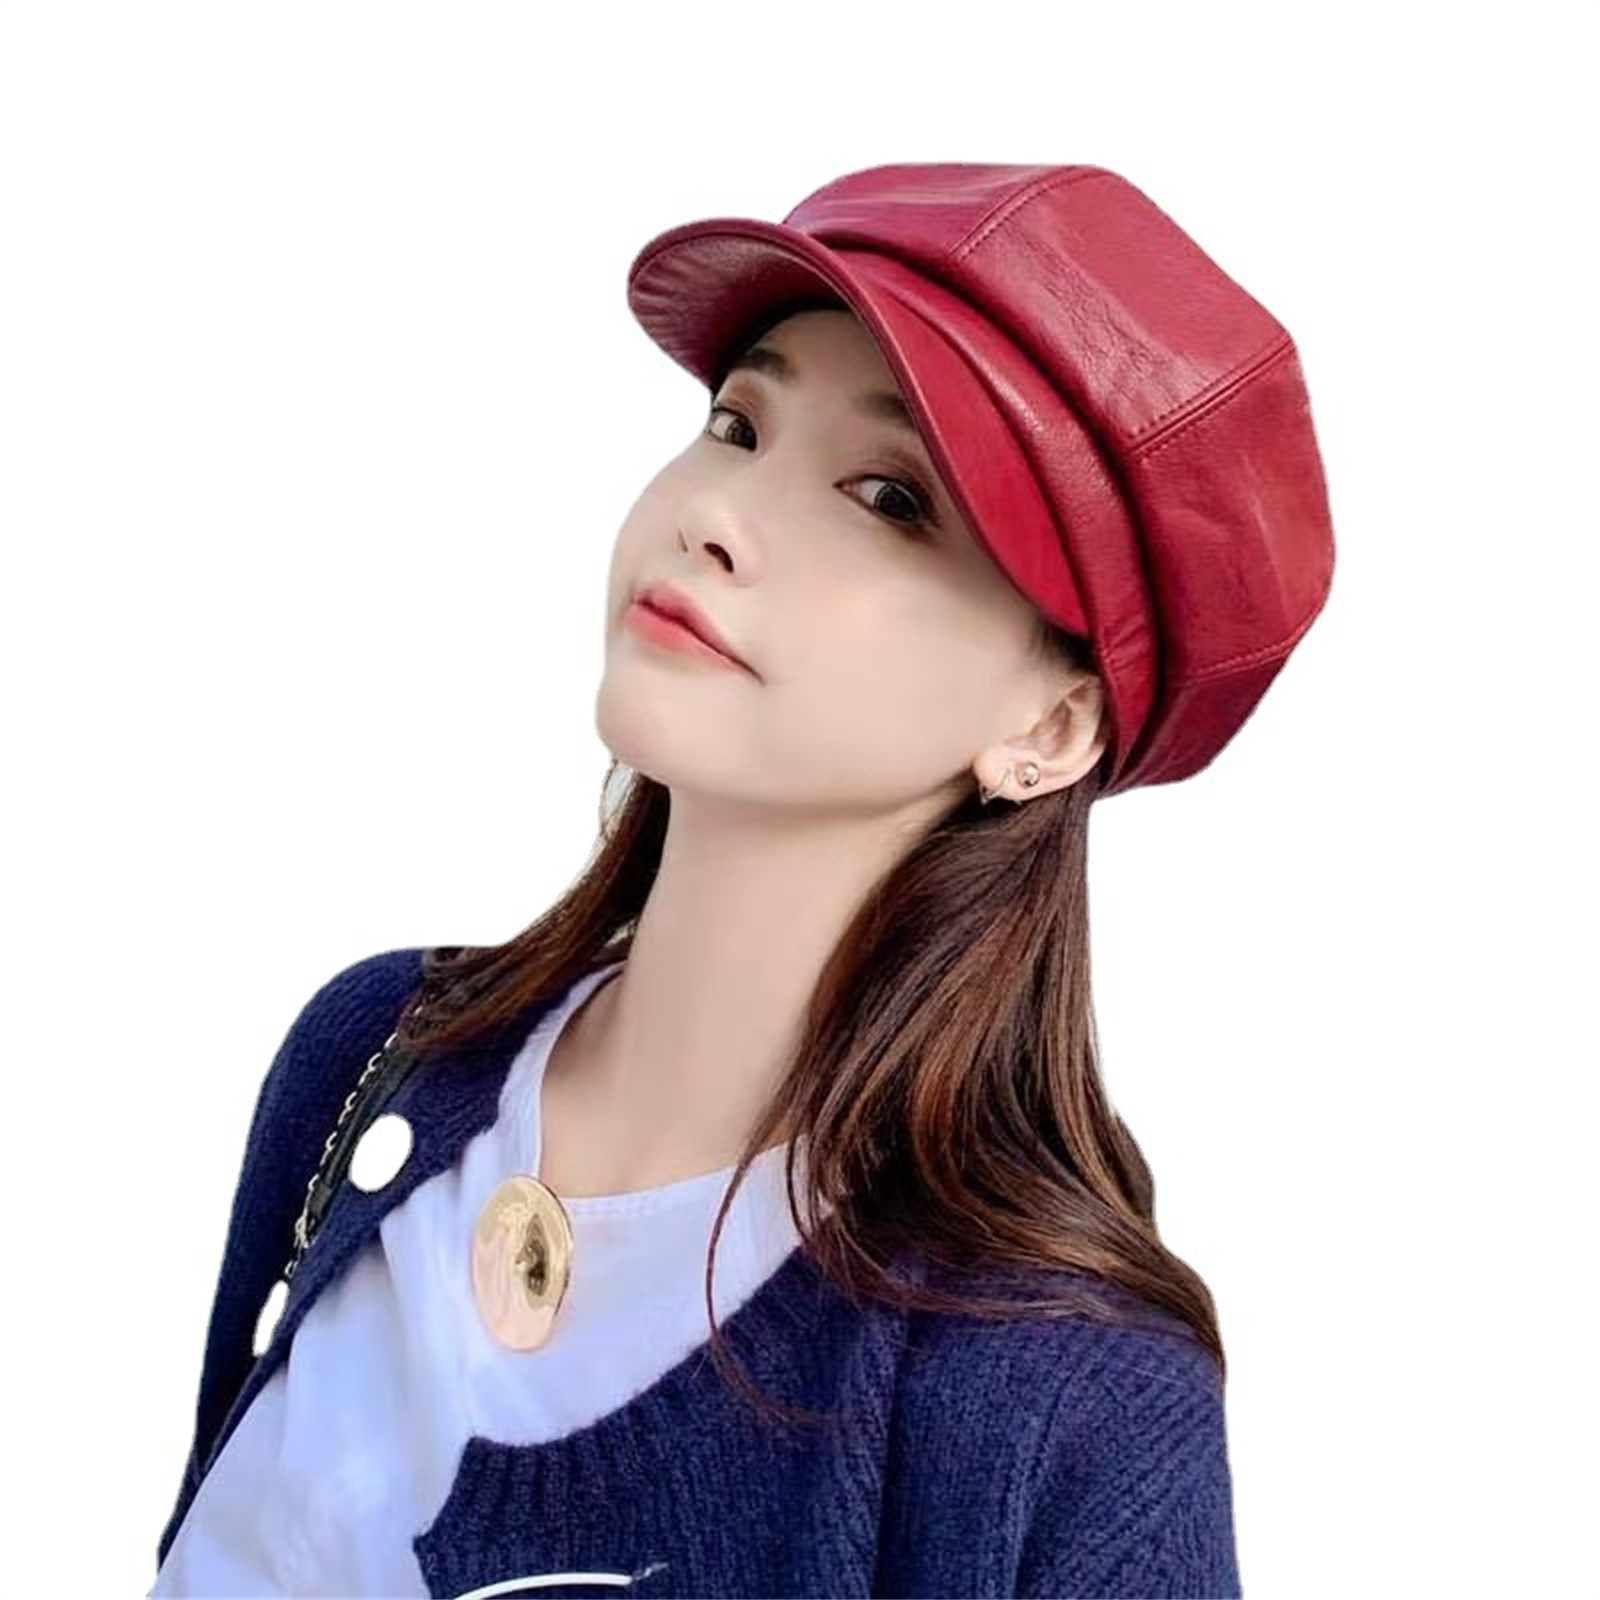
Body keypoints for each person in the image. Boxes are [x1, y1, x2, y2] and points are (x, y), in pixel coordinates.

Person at [151, 161, 1335, 1599]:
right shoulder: (374, 1059)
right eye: (738, 424)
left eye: (889, 496)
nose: (715, 515)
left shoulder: (1065, 1398)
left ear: (1052, 727)